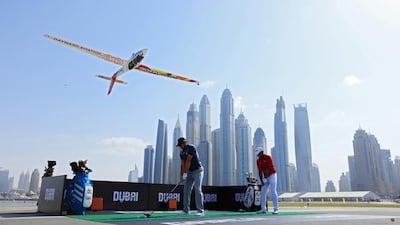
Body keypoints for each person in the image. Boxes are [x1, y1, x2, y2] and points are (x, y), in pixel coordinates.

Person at [176, 137, 204, 216]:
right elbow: (182, 165)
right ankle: (186, 211)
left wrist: (185, 173)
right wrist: (181, 176)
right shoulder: (181, 153)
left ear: (184, 143)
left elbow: (188, 161)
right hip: (189, 172)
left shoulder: (191, 147)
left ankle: (200, 211)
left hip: (198, 171)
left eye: (180, 145)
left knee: (197, 189)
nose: (180, 147)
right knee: (186, 190)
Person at [255, 147, 279, 214]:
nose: (258, 155)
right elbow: (260, 172)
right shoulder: (258, 161)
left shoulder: (268, 157)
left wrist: (265, 177)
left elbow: (268, 168)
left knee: (273, 190)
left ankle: (276, 209)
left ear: (262, 152)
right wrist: (262, 181)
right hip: (265, 177)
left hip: (272, 175)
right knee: (263, 191)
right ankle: (263, 209)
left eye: (259, 154)